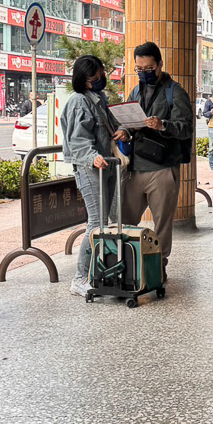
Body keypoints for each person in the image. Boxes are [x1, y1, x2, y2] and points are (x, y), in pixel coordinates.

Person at [119, 42, 193, 281]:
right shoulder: (136, 91)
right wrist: (125, 132)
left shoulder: (175, 92)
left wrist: (163, 125)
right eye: (139, 69)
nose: (144, 73)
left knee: (161, 224)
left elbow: (185, 129)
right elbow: (129, 122)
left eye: (148, 68)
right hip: (135, 167)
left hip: (162, 169)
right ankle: (125, 264)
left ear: (160, 64)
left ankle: (158, 267)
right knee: (125, 221)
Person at [62, 56, 123, 298]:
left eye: (100, 74)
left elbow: (114, 125)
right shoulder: (79, 102)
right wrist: (91, 156)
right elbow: (77, 140)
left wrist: (123, 132)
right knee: (96, 224)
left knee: (103, 223)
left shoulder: (98, 99)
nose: (99, 80)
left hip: (106, 165)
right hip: (90, 168)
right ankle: (79, 277)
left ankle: (97, 273)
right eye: (93, 77)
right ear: (82, 79)